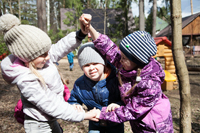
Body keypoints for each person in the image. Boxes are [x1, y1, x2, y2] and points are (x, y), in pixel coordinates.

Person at [0, 14, 98, 133]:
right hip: (38, 125)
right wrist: (83, 115)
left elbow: (59, 47)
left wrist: (80, 34)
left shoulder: (40, 58)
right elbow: (49, 103)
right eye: (43, 54)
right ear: (28, 57)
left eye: (47, 51)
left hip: (49, 119)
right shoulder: (26, 80)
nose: (49, 56)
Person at [79, 14, 174, 133]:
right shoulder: (126, 64)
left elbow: (132, 111)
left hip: (155, 128)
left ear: (137, 61)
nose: (120, 59)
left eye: (124, 57)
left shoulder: (150, 83)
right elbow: (108, 48)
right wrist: (90, 29)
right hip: (140, 124)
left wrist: (101, 114)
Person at [67, 42, 124, 133]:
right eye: (86, 65)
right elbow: (73, 100)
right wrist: (75, 105)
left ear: (103, 63)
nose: (91, 68)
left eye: (95, 63)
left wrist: (119, 104)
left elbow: (127, 99)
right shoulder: (79, 84)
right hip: (95, 124)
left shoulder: (117, 79)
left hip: (115, 124)